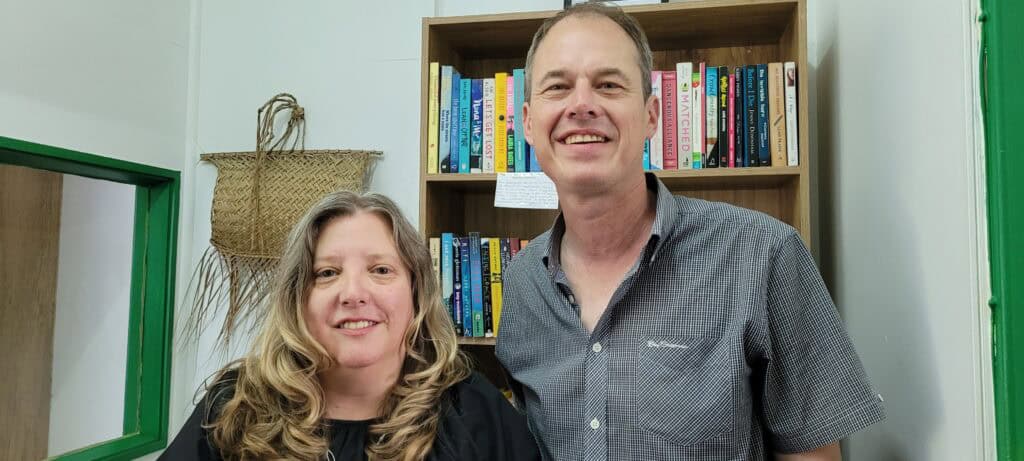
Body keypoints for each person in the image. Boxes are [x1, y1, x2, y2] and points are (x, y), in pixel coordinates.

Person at [495, 3, 885, 460]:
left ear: (652, 116)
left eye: (608, 84)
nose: (582, 105)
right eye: (558, 87)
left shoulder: (763, 254)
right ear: (526, 122)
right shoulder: (522, 282)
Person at [162, 191, 539, 460]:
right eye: (327, 273)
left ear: (416, 292)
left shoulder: (472, 410)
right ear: (298, 297)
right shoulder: (233, 405)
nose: (353, 293)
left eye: (380, 270)